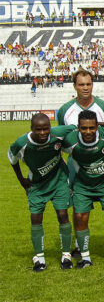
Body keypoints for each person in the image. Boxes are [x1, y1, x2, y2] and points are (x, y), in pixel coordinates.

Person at [58, 68, 104, 257]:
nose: (85, 88)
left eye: (89, 84)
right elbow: (63, 137)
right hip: (77, 166)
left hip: (103, 167)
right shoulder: (65, 110)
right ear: (74, 86)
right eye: (81, 84)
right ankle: (78, 245)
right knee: (79, 208)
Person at [8, 114, 76, 272]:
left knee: (62, 215)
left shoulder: (58, 133)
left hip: (59, 181)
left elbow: (78, 126)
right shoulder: (22, 143)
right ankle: (40, 258)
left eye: (46, 128)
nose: (43, 132)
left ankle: (66, 255)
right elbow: (13, 160)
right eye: (38, 129)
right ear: (31, 129)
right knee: (36, 218)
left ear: (50, 127)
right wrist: (21, 180)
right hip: (37, 185)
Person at [62, 110, 104, 268]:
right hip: (83, 185)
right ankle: (85, 258)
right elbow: (52, 147)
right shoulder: (70, 140)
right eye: (84, 128)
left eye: (92, 128)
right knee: (80, 217)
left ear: (97, 126)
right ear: (78, 128)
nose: (88, 132)